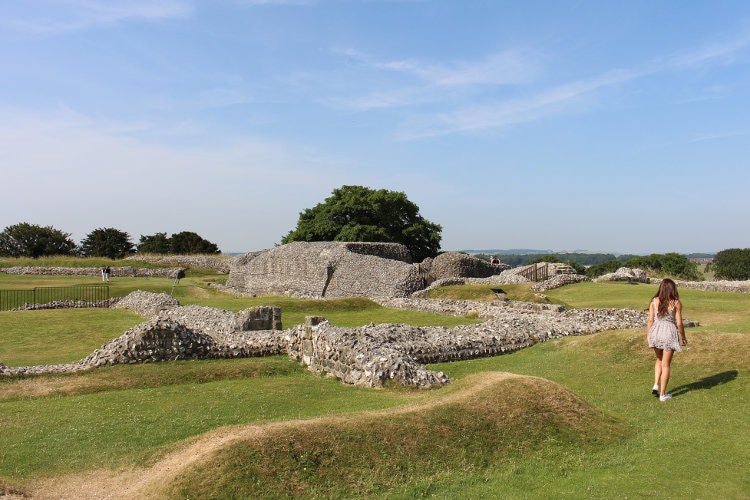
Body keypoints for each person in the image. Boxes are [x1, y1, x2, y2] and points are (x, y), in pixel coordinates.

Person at [646, 278, 688, 401]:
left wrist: (649, 336)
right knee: (666, 364)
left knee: (659, 359)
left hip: (656, 332)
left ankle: (656, 384)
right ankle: (663, 395)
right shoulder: (676, 303)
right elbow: (679, 323)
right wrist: (683, 337)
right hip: (669, 333)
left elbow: (650, 320)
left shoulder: (654, 301)